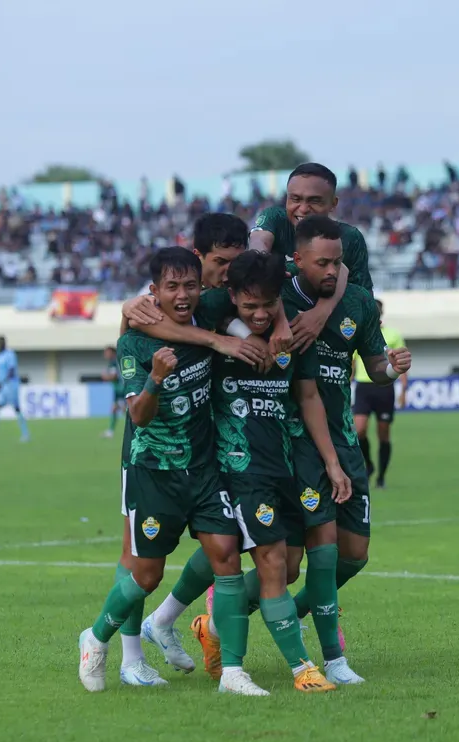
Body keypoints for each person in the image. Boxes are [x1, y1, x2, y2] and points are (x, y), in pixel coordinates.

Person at [145, 250, 348, 693]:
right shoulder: (211, 324)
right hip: (238, 471)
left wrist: (331, 462)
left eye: (267, 305)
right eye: (248, 306)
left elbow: (308, 397)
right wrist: (224, 338)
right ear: (231, 296)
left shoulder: (290, 335)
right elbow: (147, 318)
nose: (257, 314)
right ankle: (302, 669)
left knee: (288, 567)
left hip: (286, 466)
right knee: (272, 563)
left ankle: (213, 627)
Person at [78, 247, 261, 695]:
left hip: (202, 469)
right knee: (145, 575)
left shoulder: (208, 315)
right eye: (172, 287)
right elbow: (139, 416)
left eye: (190, 286)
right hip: (154, 472)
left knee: (227, 556)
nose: (183, 296)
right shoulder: (134, 344)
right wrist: (155, 378)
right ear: (153, 291)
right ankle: (96, 637)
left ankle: (233, 672)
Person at [238, 215, 409, 680]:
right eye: (322, 263)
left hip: (342, 439)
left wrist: (392, 368)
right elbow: (305, 390)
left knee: (354, 554)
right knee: (319, 549)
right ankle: (334, 660)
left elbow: (375, 366)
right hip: (296, 441)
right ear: (298, 261)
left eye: (337, 262)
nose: (332, 270)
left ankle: (233, 619)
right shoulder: (279, 300)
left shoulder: (357, 302)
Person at [250, 163, 372, 354]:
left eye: (314, 201)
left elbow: (362, 297)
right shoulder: (275, 218)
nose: (303, 208)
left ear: (333, 203)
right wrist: (264, 265)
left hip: (326, 344)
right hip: (276, 336)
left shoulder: (350, 237)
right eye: (295, 199)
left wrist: (320, 314)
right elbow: (258, 245)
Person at [352, 298, 408, 488]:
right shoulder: (358, 334)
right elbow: (351, 362)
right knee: (359, 430)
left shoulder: (392, 335)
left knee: (383, 433)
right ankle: (368, 465)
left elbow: (401, 363)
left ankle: (381, 476)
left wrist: (404, 390)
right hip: (363, 387)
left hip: (384, 387)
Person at [102, 345, 126, 439]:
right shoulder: (117, 361)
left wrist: (104, 376)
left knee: (125, 410)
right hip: (118, 389)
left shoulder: (114, 362)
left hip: (121, 389)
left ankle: (136, 429)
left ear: (112, 353)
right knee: (115, 409)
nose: (105, 354)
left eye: (107, 352)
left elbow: (114, 376)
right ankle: (110, 431)